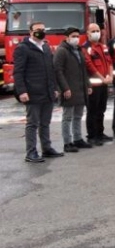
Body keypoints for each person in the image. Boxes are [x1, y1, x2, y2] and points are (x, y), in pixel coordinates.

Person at [13, 21, 64, 162]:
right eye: (37, 30)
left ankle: (46, 148)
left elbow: (51, 70)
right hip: (32, 93)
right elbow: (18, 72)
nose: (40, 32)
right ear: (30, 32)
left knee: (45, 123)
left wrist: (54, 89)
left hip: (47, 92)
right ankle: (31, 152)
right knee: (32, 123)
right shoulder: (23, 48)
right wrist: (22, 91)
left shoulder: (46, 47)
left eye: (42, 29)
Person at [54, 27, 93, 152]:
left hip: (80, 88)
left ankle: (78, 138)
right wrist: (65, 88)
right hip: (69, 89)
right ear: (67, 38)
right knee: (67, 117)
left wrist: (88, 85)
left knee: (78, 116)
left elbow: (84, 70)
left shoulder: (79, 50)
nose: (77, 38)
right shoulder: (61, 51)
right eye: (74, 36)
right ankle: (67, 142)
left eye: (77, 36)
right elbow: (58, 71)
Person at [83, 23, 113, 145]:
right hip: (94, 85)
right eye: (93, 31)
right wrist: (102, 78)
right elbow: (90, 66)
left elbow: (110, 62)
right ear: (88, 33)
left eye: (97, 31)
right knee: (92, 111)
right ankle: (92, 135)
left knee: (102, 109)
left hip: (104, 84)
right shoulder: (86, 48)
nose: (96, 33)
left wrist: (110, 76)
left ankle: (100, 133)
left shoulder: (103, 47)